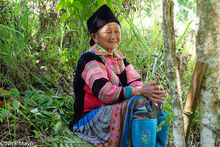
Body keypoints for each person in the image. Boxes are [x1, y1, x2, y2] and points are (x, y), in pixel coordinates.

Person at [69, 4, 169, 147]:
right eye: (108, 32)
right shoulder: (89, 59)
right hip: (90, 119)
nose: (114, 36)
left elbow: (136, 83)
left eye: (117, 31)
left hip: (112, 111)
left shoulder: (120, 59)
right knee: (139, 101)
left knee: (153, 102)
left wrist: (149, 91)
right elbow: (105, 93)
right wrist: (139, 91)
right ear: (95, 37)